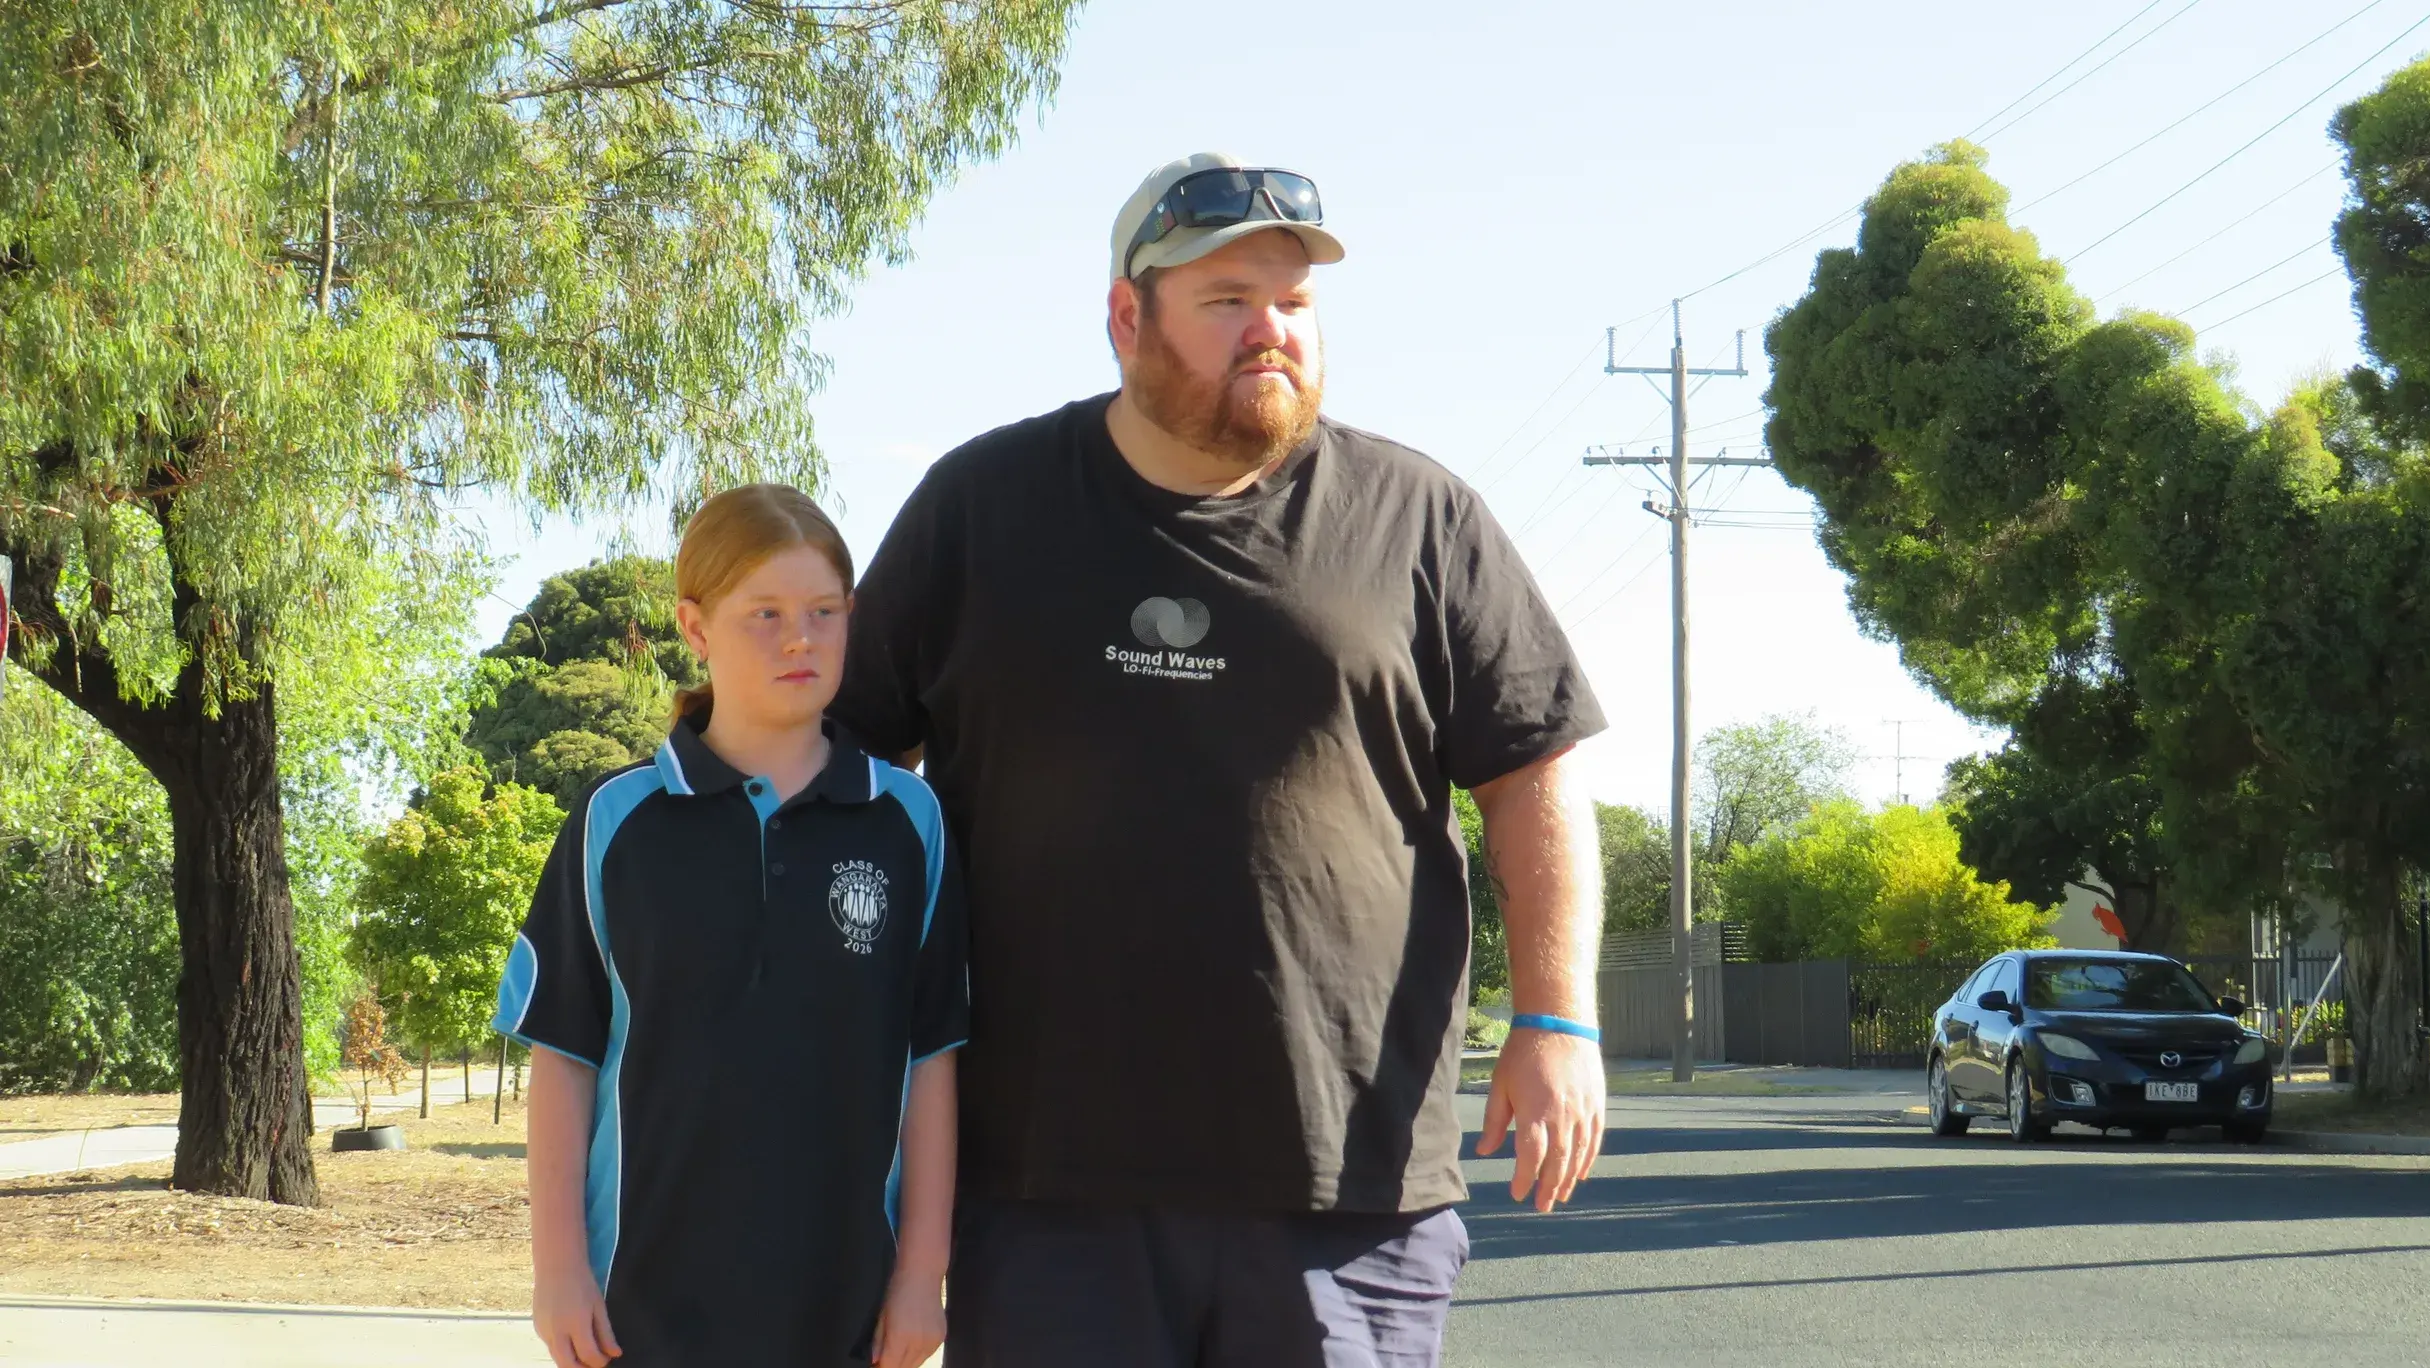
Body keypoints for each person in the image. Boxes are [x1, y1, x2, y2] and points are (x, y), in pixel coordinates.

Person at [834, 153, 1609, 1367]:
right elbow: (841, 777)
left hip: (1344, 1188)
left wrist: (1558, 1018)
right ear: (1124, 316)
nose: (1271, 331)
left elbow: (1533, 774)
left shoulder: (1416, 515)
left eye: (1294, 304)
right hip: (1044, 1190)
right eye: (1228, 301)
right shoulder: (982, 508)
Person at [492, 484, 968, 1368]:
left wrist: (920, 1278)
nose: (800, 637)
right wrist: (558, 1268)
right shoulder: (616, 820)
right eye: (765, 614)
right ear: (695, 626)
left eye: (825, 611)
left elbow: (931, 1060)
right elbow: (564, 1057)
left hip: (848, 1307)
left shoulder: (908, 822)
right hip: (640, 1301)